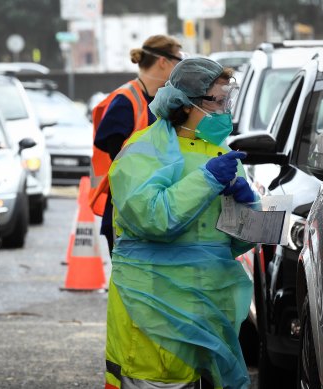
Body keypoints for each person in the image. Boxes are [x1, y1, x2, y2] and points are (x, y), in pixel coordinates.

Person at [104, 57, 257, 389]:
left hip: (207, 312)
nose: (225, 110)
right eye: (217, 102)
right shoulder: (143, 150)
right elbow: (152, 219)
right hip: (150, 308)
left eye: (226, 101)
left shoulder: (219, 154)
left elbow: (237, 244)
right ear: (186, 104)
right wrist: (206, 182)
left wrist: (248, 207)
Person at [89, 35, 183, 253]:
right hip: (127, 208)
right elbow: (115, 153)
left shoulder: (159, 100)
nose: (180, 67)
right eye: (178, 60)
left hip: (150, 206)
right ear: (163, 61)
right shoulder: (126, 100)